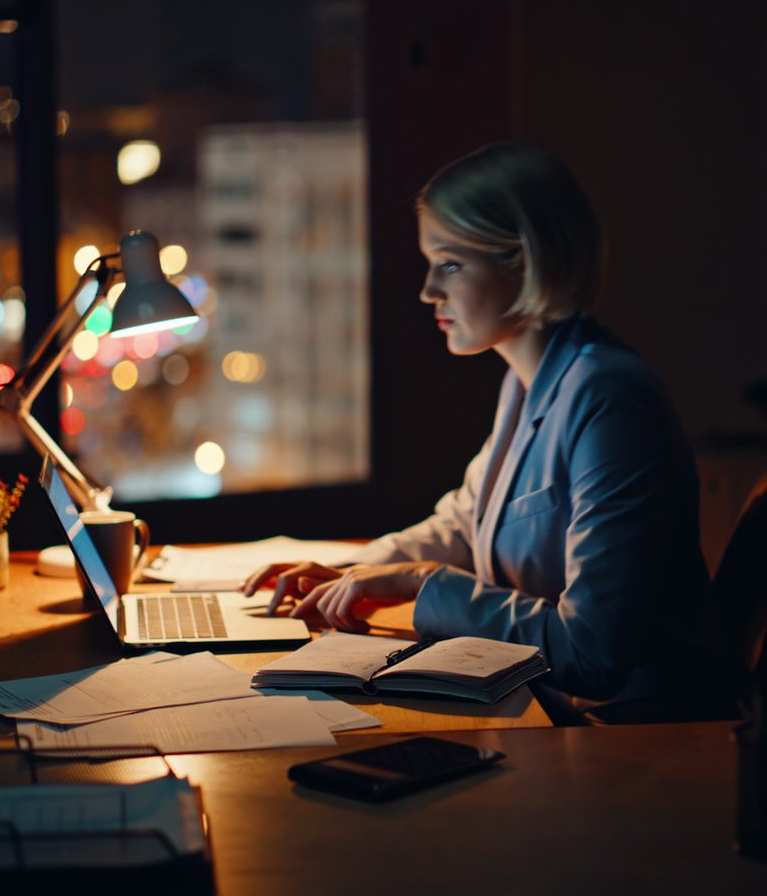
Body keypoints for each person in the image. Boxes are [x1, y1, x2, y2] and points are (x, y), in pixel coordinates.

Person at [244, 140, 733, 723]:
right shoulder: (529, 380)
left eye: (449, 264)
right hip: (553, 716)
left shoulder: (610, 397)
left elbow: (594, 654)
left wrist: (424, 583)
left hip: (640, 738)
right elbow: (467, 520)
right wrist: (356, 573)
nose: (428, 290)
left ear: (523, 262)